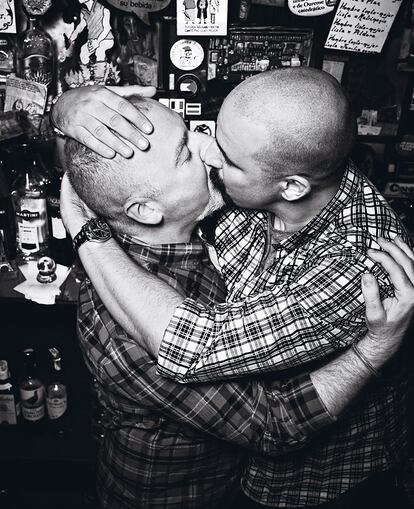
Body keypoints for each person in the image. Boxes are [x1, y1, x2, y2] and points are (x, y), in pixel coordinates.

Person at [55, 69, 414, 507]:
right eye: (193, 147)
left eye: (230, 156)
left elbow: (199, 347)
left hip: (313, 484)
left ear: (291, 185)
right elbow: (110, 172)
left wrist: (85, 232)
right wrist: (67, 107)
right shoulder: (127, 319)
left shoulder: (357, 265)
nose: (209, 154)